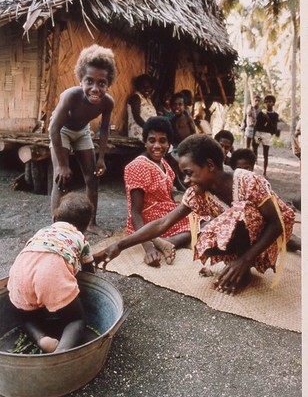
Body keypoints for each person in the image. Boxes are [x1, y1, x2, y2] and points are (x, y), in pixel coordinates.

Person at [99, 134, 295, 295]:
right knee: (206, 233)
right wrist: (119, 245)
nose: (185, 180)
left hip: (269, 231)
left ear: (210, 165)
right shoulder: (197, 192)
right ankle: (237, 260)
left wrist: (245, 260)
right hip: (244, 231)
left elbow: (275, 224)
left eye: (189, 173)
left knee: (240, 213)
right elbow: (163, 223)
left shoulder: (248, 182)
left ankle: (244, 267)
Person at [7, 192, 106, 353]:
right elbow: (89, 274)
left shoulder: (42, 232)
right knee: (76, 320)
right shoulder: (80, 237)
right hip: (50, 275)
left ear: (54, 218)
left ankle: (42, 339)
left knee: (26, 318)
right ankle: (60, 353)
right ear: (85, 227)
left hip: (21, 271)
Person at [48, 44, 116, 235]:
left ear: (108, 84)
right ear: (80, 80)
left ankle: (91, 223)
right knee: (60, 179)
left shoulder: (108, 102)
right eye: (89, 81)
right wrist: (62, 164)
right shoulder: (70, 96)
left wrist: (101, 157)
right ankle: (56, 227)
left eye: (102, 83)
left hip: (82, 132)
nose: (95, 88)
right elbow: (54, 128)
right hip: (61, 131)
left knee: (92, 179)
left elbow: (104, 129)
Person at [124, 116, 191, 267]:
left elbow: (169, 197)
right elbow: (135, 212)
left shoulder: (163, 164)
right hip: (147, 222)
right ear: (145, 142)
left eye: (163, 141)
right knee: (200, 223)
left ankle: (166, 242)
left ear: (169, 144)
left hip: (163, 213)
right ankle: (157, 241)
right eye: (152, 140)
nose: (157, 145)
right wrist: (148, 248)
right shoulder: (138, 166)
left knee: (202, 217)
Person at [253, 94, 279, 177]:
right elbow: (257, 125)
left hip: (267, 135)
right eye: (266, 102)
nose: (268, 103)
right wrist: (254, 134)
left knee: (265, 153)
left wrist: (268, 119)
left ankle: (264, 171)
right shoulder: (261, 113)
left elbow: (274, 127)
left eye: (270, 102)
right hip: (259, 134)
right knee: (255, 150)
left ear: (273, 103)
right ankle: (252, 169)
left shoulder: (275, 115)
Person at [127, 74, 157, 141]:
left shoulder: (148, 99)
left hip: (149, 131)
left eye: (148, 87)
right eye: (143, 87)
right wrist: (147, 128)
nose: (146, 89)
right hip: (139, 132)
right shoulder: (136, 97)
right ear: (138, 87)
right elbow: (136, 116)